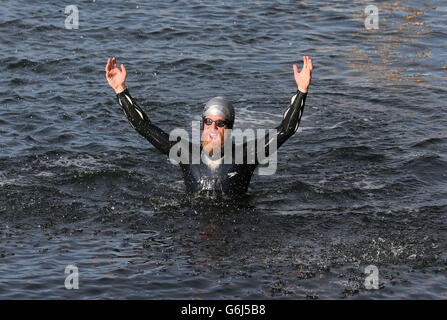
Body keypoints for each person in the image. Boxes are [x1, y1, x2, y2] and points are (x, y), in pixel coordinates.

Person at [105, 56, 313, 197]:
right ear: (202, 124)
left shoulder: (246, 155)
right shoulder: (186, 153)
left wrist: (301, 90)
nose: (213, 128)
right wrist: (120, 89)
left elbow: (287, 129)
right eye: (208, 122)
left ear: (229, 128)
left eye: (220, 123)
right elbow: (143, 126)